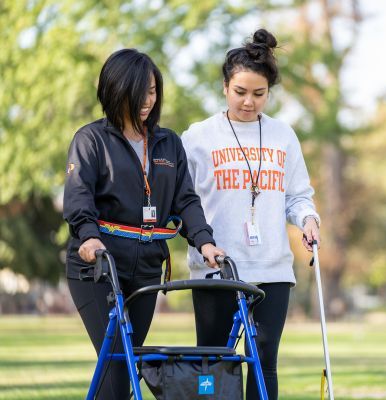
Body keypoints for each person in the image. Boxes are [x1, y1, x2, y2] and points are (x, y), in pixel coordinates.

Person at [63, 48, 224, 399]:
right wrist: (89, 237)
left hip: (147, 266)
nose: (147, 100)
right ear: (116, 89)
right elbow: (78, 198)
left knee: (125, 360)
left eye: (152, 91)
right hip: (98, 267)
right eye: (140, 92)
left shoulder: (169, 143)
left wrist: (204, 241)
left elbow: (186, 200)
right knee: (119, 362)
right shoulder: (91, 140)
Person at [181, 28, 321, 399]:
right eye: (240, 92)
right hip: (215, 269)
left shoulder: (283, 136)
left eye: (258, 94)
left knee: (263, 361)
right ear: (225, 86)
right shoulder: (197, 137)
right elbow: (183, 201)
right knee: (213, 362)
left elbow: (298, 196)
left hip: (271, 270)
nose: (248, 102)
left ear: (269, 92)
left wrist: (308, 219)